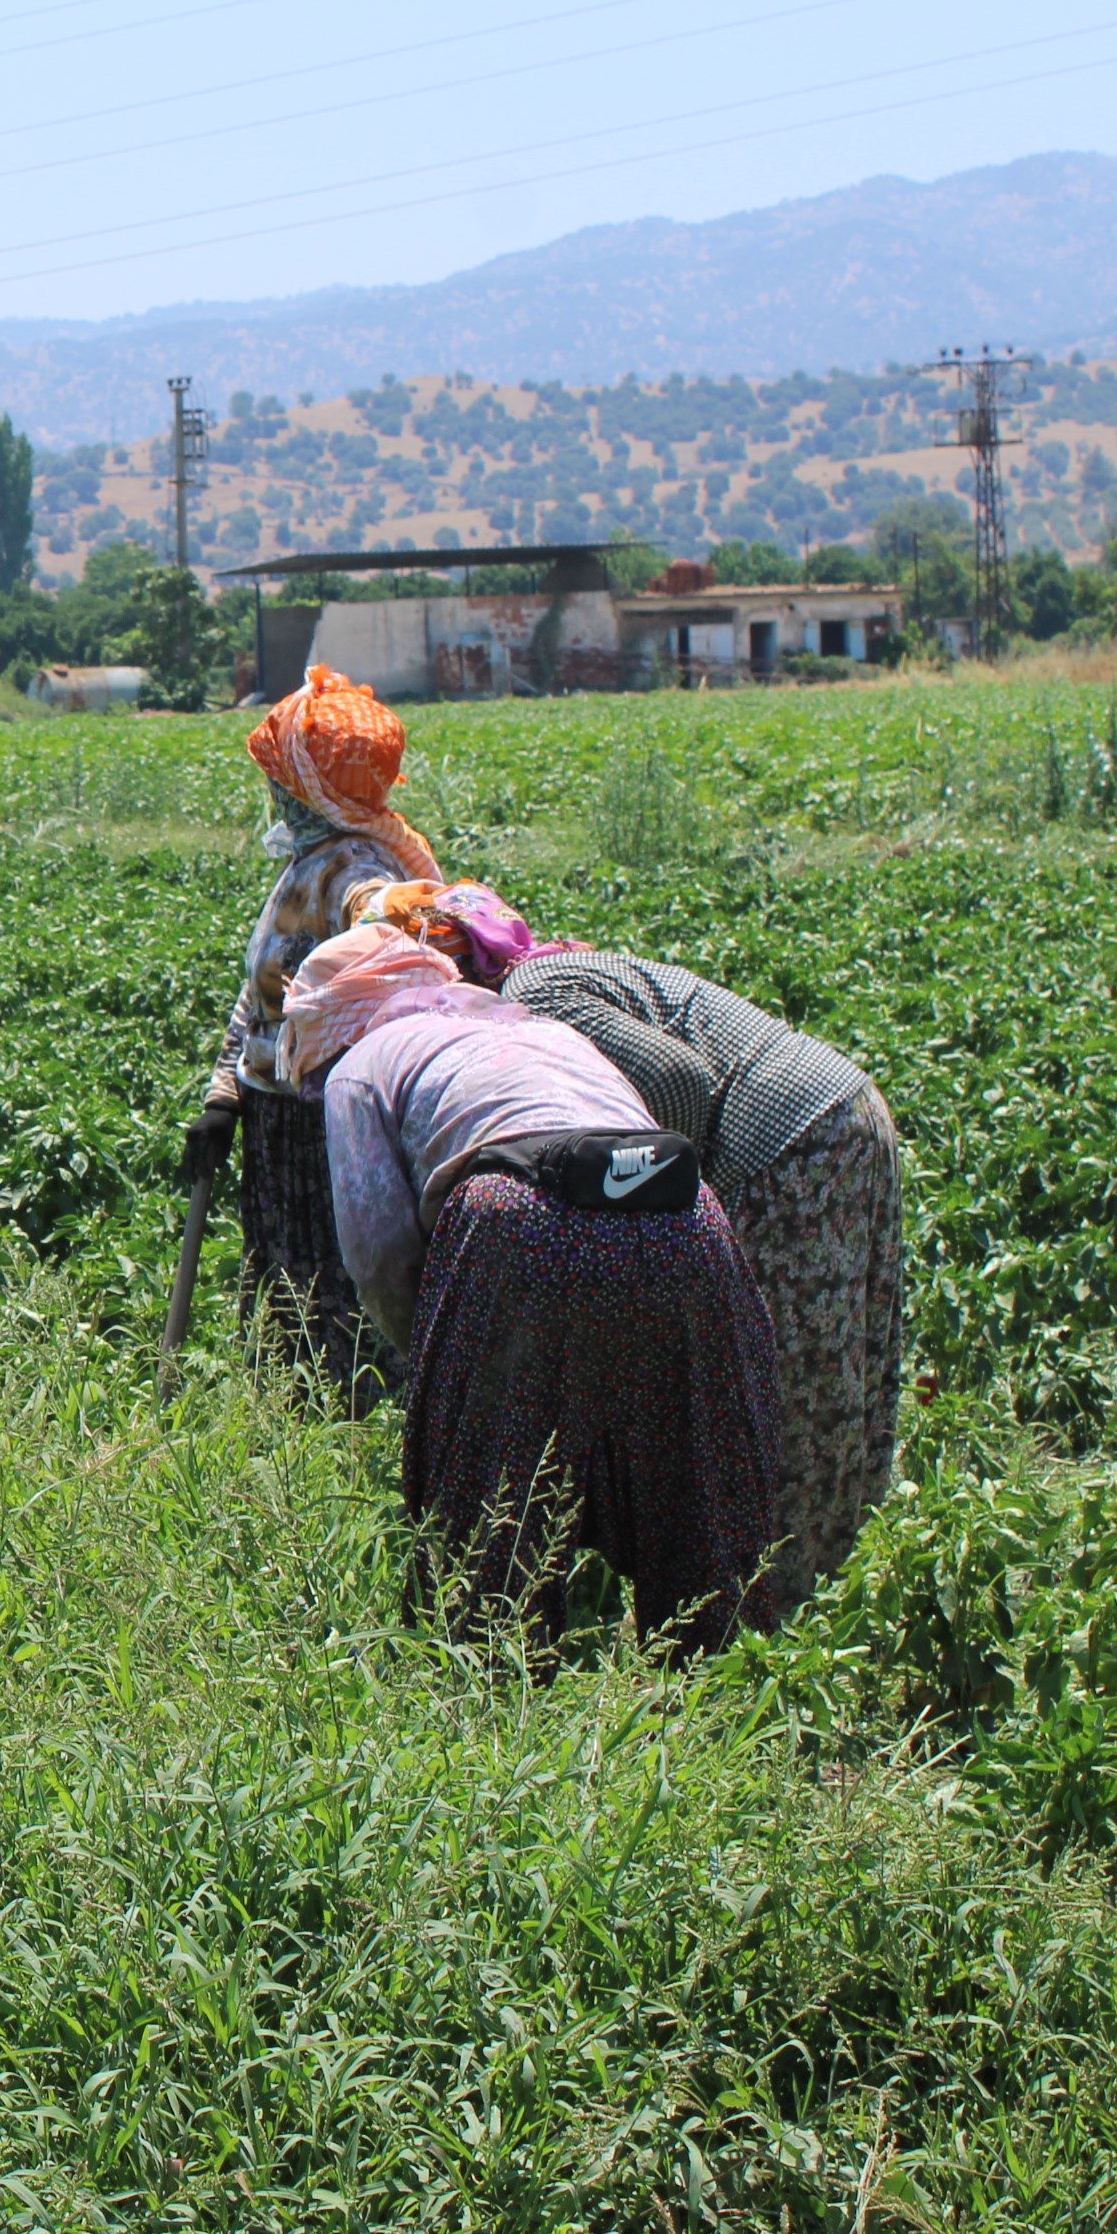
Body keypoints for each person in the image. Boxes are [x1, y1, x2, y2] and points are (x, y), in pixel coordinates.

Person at [290, 924, 782, 1653]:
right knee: (696, 1491)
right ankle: (720, 1700)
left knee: (489, 1518)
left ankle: (492, 1713)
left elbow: (379, 1251)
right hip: (686, 1218)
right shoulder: (532, 1028)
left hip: (518, 1220)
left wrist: (433, 1364)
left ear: (328, 1021)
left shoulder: (359, 1066)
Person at [490, 942, 900, 1624]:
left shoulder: (531, 993)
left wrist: (663, 1215)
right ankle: (821, 1608)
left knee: (773, 1397)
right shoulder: (563, 970)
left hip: (791, 1149)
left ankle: (767, 1634)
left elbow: (680, 1082)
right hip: (839, 1114)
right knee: (832, 1383)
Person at [186, 666, 445, 1363]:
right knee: (287, 1317)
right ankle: (289, 1439)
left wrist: (383, 912)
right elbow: (260, 994)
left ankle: (353, 1443)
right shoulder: (306, 863)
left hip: (331, 1134)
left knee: (341, 1317)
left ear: (309, 786)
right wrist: (225, 1094)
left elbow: (385, 933)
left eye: (280, 776)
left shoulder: (359, 870)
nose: (271, 789)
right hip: (276, 1127)